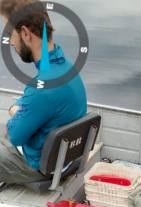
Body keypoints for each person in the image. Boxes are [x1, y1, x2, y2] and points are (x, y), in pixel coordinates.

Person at [0, 0, 87, 185]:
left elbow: (15, 136)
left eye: (10, 34)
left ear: (25, 33)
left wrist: (15, 111)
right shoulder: (67, 68)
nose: (10, 42)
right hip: (65, 159)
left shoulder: (40, 88)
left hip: (41, 167)